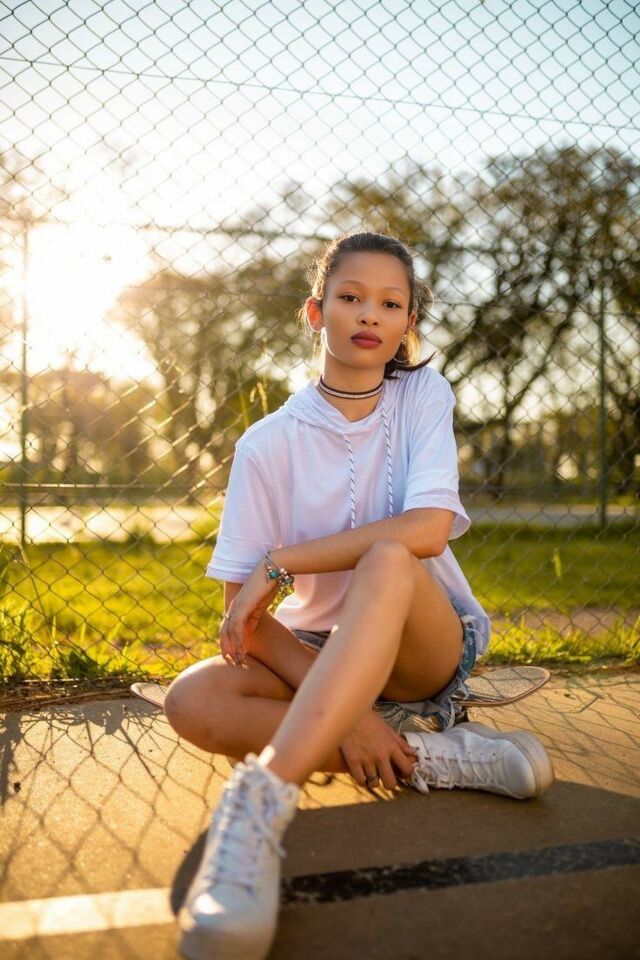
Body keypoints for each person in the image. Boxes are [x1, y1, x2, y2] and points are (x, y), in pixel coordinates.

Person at [165, 231, 554, 960]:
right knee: (191, 699)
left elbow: (428, 530)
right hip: (321, 651)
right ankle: (429, 757)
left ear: (408, 324)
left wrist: (282, 561)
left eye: (390, 303)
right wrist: (350, 717)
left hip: (421, 645)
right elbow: (243, 620)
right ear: (316, 313)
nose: (370, 314)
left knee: (390, 556)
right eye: (350, 297)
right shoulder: (266, 444)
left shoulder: (423, 396)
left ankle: (259, 801)